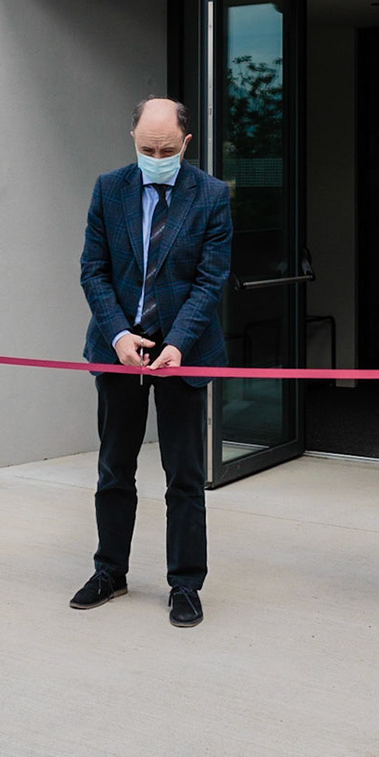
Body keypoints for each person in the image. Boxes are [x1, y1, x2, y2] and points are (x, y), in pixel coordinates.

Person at [73, 97, 232, 629]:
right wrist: (119, 334)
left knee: (184, 474)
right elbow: (93, 270)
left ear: (186, 143)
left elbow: (210, 280)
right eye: (147, 149)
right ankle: (109, 572)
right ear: (133, 140)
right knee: (114, 468)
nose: (156, 158)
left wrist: (178, 343)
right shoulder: (108, 189)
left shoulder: (211, 195)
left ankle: (185, 584)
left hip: (183, 351)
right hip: (119, 348)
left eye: (166, 150)